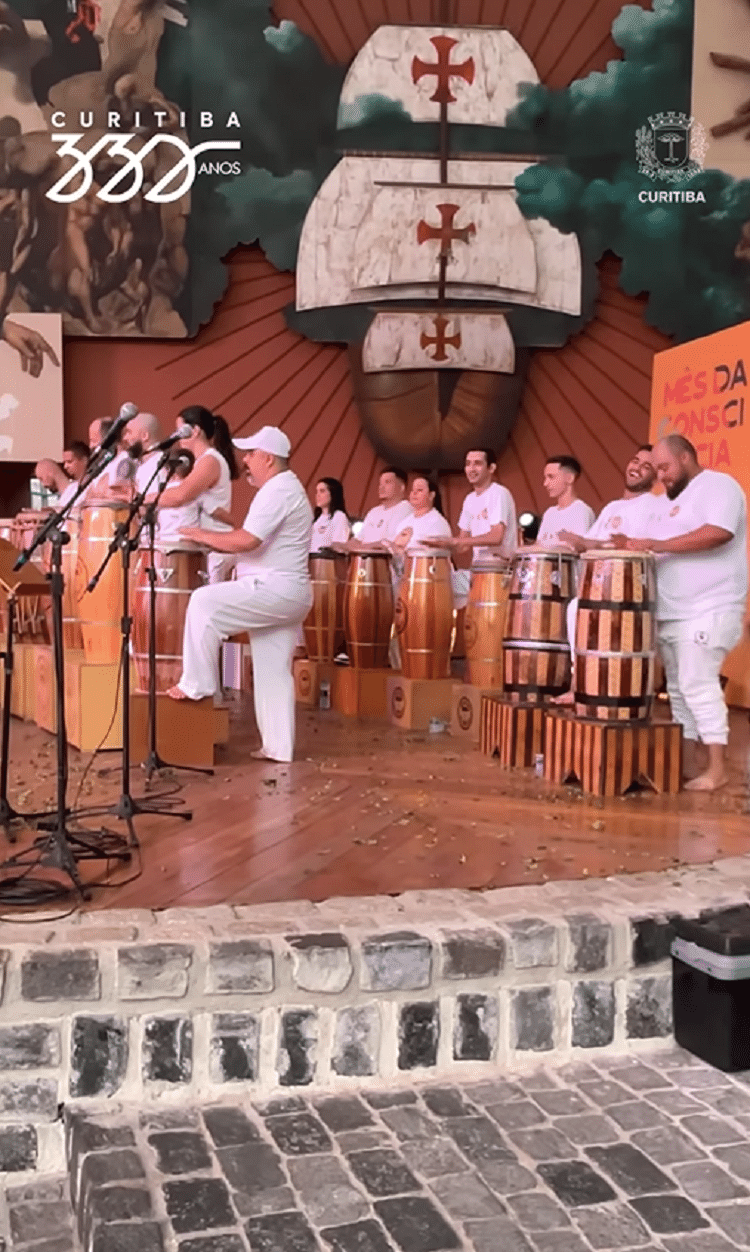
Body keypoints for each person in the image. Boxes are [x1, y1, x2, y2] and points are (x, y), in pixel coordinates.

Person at [166, 425, 313, 765]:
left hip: (275, 589)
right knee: (273, 671)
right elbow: (252, 541)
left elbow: (248, 540)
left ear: (269, 458)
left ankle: (197, 683)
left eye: (250, 455)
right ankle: (279, 748)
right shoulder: (286, 488)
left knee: (203, 602)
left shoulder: (278, 490)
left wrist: (201, 535)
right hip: (287, 593)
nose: (245, 461)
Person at [621, 434, 747, 793]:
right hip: (673, 612)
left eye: (664, 467)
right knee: (678, 690)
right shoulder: (665, 503)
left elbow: (718, 532)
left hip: (709, 607)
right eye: (656, 469)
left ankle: (717, 768)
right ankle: (688, 763)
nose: (661, 476)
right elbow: (648, 544)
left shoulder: (719, 485)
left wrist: (657, 545)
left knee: (698, 684)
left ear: (687, 457)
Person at [553, 445, 660, 704]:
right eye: (635, 461)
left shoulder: (654, 506)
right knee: (574, 608)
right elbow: (594, 542)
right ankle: (579, 684)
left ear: (655, 477)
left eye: (646, 466)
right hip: (600, 586)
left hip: (629, 590)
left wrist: (599, 545)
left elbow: (637, 547)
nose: (636, 468)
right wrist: (576, 541)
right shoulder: (612, 507)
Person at [157, 405, 239, 583]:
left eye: (180, 430)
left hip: (215, 550)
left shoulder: (210, 460)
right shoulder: (201, 461)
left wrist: (142, 499)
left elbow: (180, 496)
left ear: (195, 431)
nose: (178, 437)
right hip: (204, 550)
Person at [428, 448, 517, 609]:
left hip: (500, 571)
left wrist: (457, 541)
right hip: (477, 570)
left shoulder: (499, 493)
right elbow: (462, 546)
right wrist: (441, 546)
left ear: (491, 468)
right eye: (468, 464)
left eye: (477, 464)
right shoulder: (469, 499)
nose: (471, 468)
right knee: (436, 582)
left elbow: (497, 536)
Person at [537, 455, 595, 546]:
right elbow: (539, 545)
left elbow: (580, 548)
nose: (545, 483)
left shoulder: (581, 511)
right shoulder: (549, 513)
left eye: (551, 477)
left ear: (570, 478)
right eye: (545, 478)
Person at [348, 467, 412, 549]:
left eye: (387, 482)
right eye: (380, 483)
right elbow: (357, 540)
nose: (381, 487)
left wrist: (362, 548)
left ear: (401, 487)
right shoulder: (374, 511)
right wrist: (340, 546)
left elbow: (389, 544)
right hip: (365, 558)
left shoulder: (406, 509)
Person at [393, 475, 453, 553]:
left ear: (431, 495)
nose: (414, 493)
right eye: (412, 490)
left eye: (420, 490)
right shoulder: (404, 522)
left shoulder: (438, 523)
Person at [155, 451, 198, 544]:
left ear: (167, 470)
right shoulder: (196, 490)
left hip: (166, 542)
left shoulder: (165, 491)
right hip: (189, 543)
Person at [310, 477, 351, 551]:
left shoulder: (339, 516)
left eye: (322, 491)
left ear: (333, 493)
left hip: (327, 561)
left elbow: (339, 546)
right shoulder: (316, 519)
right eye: (317, 491)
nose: (318, 495)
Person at [58, 440, 90, 508]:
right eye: (64, 462)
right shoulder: (70, 488)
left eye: (69, 462)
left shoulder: (94, 485)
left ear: (84, 460)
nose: (65, 466)